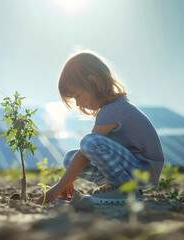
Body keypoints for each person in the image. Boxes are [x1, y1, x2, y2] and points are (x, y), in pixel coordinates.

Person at [35, 51, 165, 204]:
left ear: (93, 83)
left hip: (144, 170)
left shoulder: (113, 109)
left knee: (90, 142)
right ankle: (115, 185)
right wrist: (68, 180)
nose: (77, 104)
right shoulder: (113, 108)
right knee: (70, 159)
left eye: (77, 95)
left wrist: (60, 185)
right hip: (132, 167)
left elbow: (87, 149)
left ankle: (125, 189)